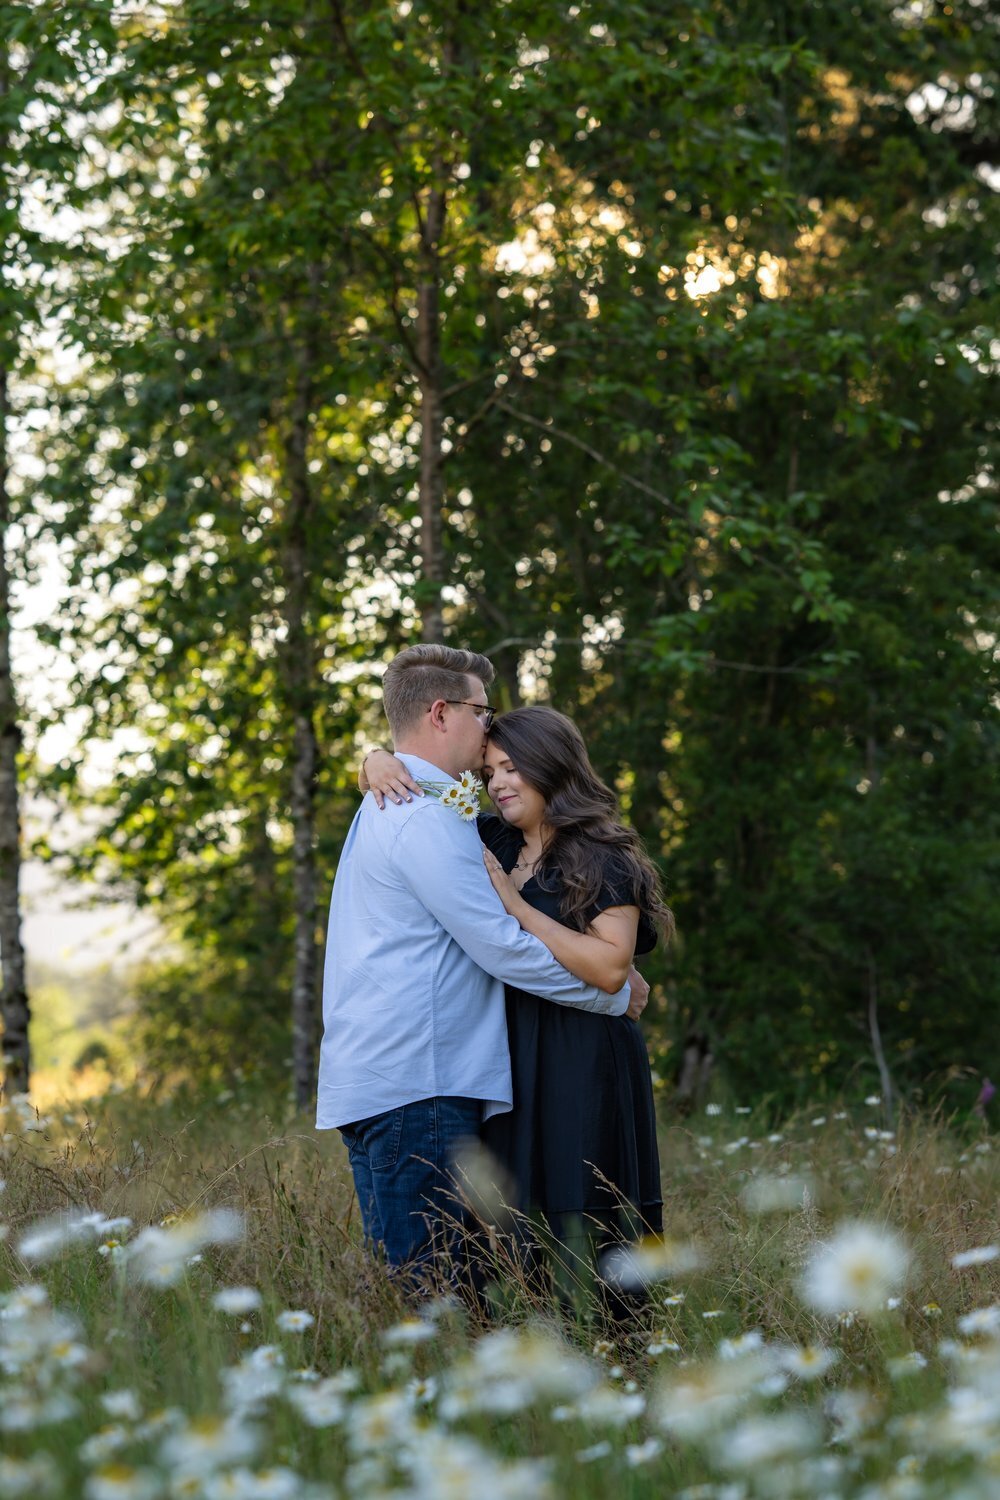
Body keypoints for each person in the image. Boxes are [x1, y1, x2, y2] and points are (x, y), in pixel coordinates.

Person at [316, 645, 637, 1278]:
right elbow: (502, 947)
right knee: (438, 1291)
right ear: (441, 713)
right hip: (422, 1084)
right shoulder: (421, 817)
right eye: (482, 711)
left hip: (388, 1080)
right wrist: (615, 992)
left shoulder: (404, 801)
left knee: (421, 1285)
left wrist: (374, 759)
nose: (489, 725)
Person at [362, 704, 671, 1292]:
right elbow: (417, 783)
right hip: (510, 1055)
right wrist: (374, 761)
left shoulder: (602, 854)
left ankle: (607, 1341)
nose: (498, 784)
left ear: (551, 766)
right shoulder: (491, 838)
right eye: (490, 772)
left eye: (512, 768)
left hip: (584, 1056)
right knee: (509, 1212)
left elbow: (611, 969)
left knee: (585, 1204)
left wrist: (518, 908)